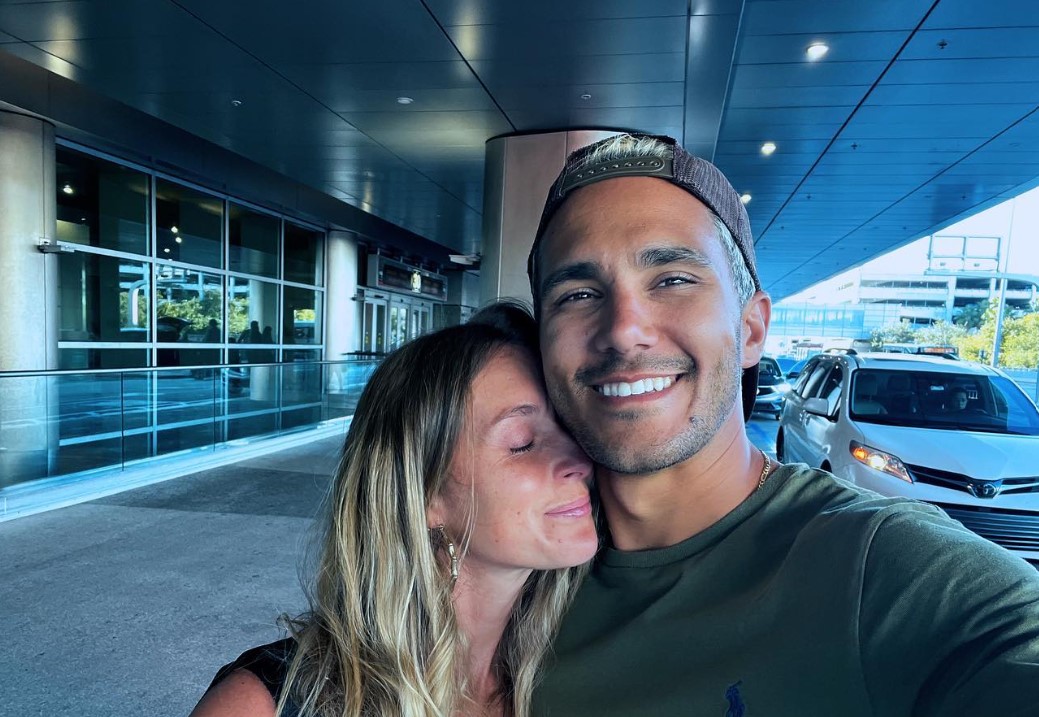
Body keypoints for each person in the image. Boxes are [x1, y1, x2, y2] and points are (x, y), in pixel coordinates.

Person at [524, 133, 1039, 715]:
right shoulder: (517, 562)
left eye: (672, 280)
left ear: (751, 330)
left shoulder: (878, 567)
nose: (623, 329)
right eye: (578, 294)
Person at [190, 303, 598, 717]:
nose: (579, 459)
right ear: (423, 495)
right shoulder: (258, 706)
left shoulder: (576, 675)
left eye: (569, 426)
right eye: (522, 442)